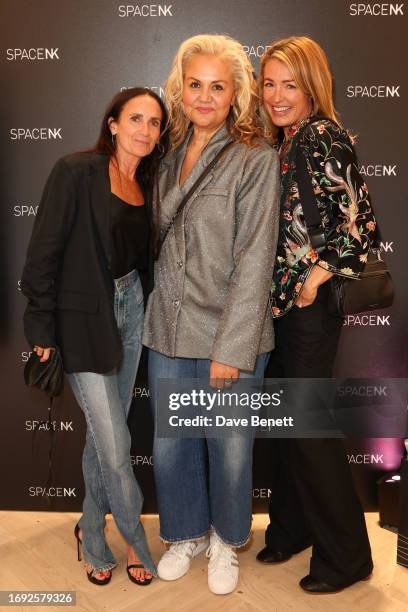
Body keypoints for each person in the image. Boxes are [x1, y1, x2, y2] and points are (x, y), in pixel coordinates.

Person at [143, 34, 280, 595]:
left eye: (216, 86)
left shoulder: (256, 158)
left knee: (229, 451)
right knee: (172, 445)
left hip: (230, 333)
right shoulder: (166, 155)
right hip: (167, 329)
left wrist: (231, 348)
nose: (203, 97)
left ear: (235, 95)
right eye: (194, 85)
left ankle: (227, 539)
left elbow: (255, 258)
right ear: (180, 89)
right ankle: (186, 533)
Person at [21, 87, 168, 586]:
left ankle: (90, 530)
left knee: (102, 441)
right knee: (114, 442)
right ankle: (136, 541)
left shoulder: (147, 181)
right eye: (135, 119)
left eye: (154, 122)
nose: (144, 130)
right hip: (83, 317)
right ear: (112, 123)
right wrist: (41, 326)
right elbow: (42, 254)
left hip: (132, 313)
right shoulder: (74, 171)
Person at [256, 36, 375, 593]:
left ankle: (348, 558)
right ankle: (293, 528)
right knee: (288, 429)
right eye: (270, 82)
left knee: (309, 431)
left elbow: (362, 228)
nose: (278, 95)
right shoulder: (287, 140)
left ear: (312, 87)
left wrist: (314, 279)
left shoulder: (322, 135)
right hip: (281, 312)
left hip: (308, 312)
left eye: (291, 84)